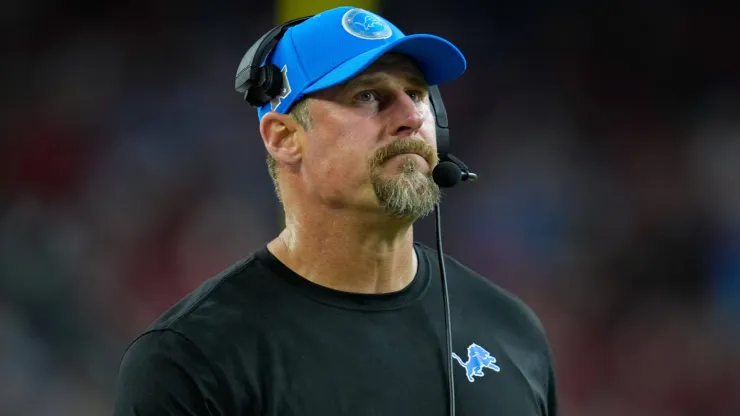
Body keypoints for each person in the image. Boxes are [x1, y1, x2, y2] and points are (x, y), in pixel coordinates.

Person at [113, 6, 558, 416]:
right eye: (368, 96)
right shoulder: (193, 359)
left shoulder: (512, 332)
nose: (411, 116)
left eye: (418, 93)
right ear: (285, 137)